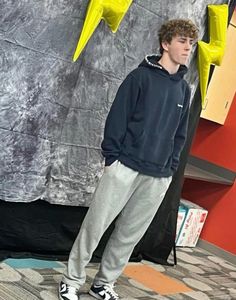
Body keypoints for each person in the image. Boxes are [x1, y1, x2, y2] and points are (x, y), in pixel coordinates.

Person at [59, 19, 198, 300]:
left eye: (191, 43)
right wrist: (113, 159)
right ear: (165, 43)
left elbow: (179, 136)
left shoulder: (184, 90)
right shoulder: (140, 78)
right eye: (182, 41)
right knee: (95, 226)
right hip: (125, 167)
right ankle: (71, 280)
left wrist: (170, 169)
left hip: (158, 176)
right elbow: (117, 119)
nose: (188, 48)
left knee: (128, 236)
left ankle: (103, 284)